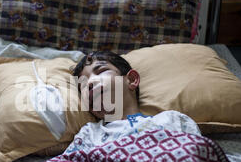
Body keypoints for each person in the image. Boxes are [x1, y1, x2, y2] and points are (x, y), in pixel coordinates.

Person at [65, 51, 201, 154]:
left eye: (101, 71)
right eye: (82, 86)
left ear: (131, 79)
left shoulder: (174, 121)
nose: (89, 83)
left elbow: (199, 161)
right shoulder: (89, 134)